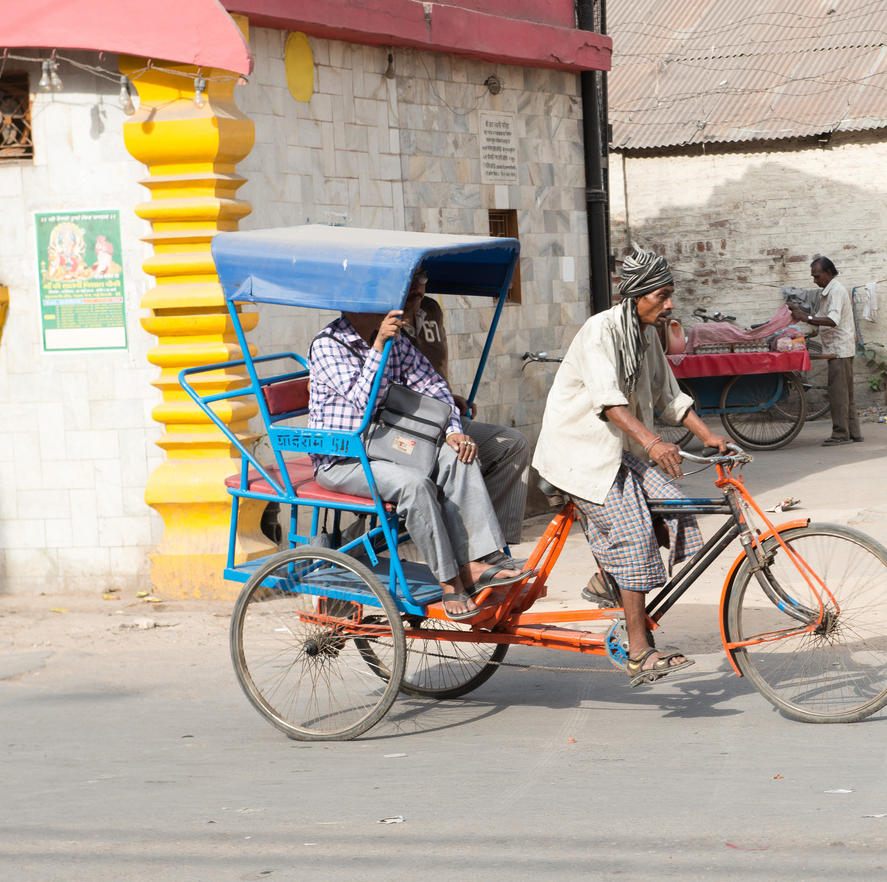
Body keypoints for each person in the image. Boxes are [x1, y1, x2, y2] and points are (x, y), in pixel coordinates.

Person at [533, 248, 733, 687]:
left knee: (675, 505)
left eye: (670, 295)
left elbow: (670, 396)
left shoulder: (644, 334)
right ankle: (640, 652)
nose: (669, 305)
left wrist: (709, 435)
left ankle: (610, 578)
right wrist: (654, 442)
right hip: (579, 455)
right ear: (638, 294)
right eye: (662, 296)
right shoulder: (600, 332)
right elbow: (610, 403)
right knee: (635, 533)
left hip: (617, 452)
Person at [307, 269, 530, 619]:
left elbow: (432, 385)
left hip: (390, 441)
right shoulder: (329, 345)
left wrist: (455, 429)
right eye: (411, 298)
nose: (416, 305)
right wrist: (378, 347)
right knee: (416, 486)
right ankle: (450, 581)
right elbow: (363, 405)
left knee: (461, 453)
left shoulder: (399, 340)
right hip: (345, 457)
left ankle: (480, 558)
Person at [407, 294, 531, 547]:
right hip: (407, 428)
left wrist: (447, 399)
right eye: (413, 278)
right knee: (462, 456)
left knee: (513, 444)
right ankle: (473, 554)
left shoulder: (429, 308)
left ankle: (494, 547)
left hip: (440, 416)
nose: (418, 285)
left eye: (423, 276)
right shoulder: (379, 327)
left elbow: (431, 374)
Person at [791, 255, 862, 445]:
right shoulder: (828, 291)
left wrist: (807, 318)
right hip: (840, 348)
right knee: (846, 394)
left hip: (839, 350)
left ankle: (840, 435)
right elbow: (823, 319)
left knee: (838, 394)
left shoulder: (836, 291)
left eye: (817, 276)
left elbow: (832, 320)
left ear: (828, 273)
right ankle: (853, 432)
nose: (815, 280)